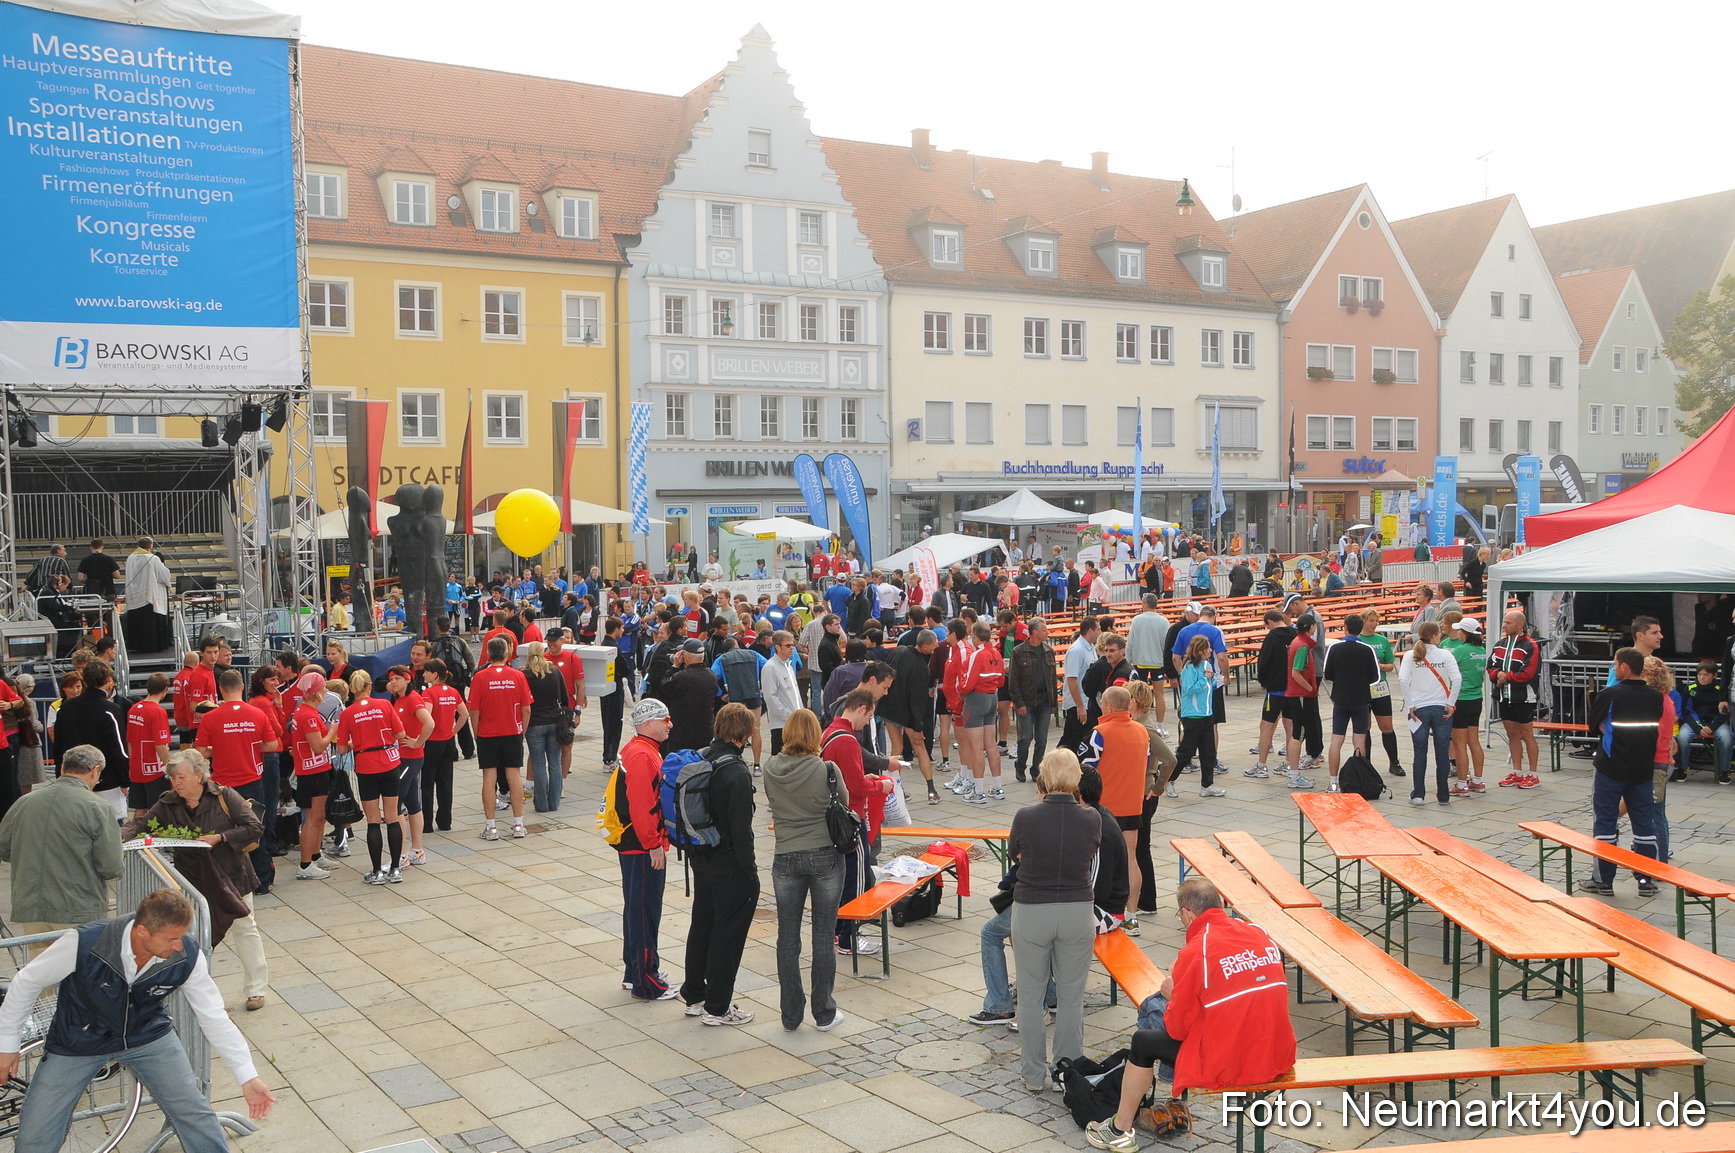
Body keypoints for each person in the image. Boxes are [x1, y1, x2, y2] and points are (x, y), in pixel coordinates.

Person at [0, 889, 275, 1151]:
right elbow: (27, 981)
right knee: (37, 1130)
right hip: (78, 1040)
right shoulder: (85, 942)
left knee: (194, 1112)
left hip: (148, 1035)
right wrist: (7, 1043)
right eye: (170, 939)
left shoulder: (187, 956)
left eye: (182, 937)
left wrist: (247, 1076)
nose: (179, 946)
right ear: (142, 931)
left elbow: (214, 1017)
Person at [1083, 879, 1296, 1152]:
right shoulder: (1258, 933)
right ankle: (1163, 1102)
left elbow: (1177, 1029)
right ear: (1219, 905)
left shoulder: (1197, 950)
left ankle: (1120, 1130)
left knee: (1142, 1041)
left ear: (1186, 913)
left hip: (1235, 1060)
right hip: (1277, 1051)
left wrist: (1174, 991)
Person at [123, 749, 270, 1009]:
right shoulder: (168, 802)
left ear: (199, 776)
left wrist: (220, 838)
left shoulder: (224, 795)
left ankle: (256, 989)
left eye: (181, 777)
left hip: (232, 874)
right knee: (193, 934)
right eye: (172, 778)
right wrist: (118, 836)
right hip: (193, 879)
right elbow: (143, 823)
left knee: (245, 928)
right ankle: (198, 992)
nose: (176, 783)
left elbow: (254, 827)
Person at [1009, 749, 1100, 1093]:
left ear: (1044, 778)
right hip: (1077, 909)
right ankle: (1067, 1072)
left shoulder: (1026, 816)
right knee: (1071, 996)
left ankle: (1033, 1074)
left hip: (1033, 908)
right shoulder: (1091, 818)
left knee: (1031, 998)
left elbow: (1015, 853)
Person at [762, 708, 850, 1031]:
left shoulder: (770, 769)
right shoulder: (827, 769)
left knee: (787, 937)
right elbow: (845, 802)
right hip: (824, 855)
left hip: (785, 856)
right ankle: (824, 1011)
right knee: (823, 935)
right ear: (815, 735)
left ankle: (791, 1014)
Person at [679, 703, 760, 1025]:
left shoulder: (702, 757)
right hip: (729, 863)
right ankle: (718, 1007)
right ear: (743, 734)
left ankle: (694, 995)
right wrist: (750, 871)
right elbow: (742, 830)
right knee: (728, 935)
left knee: (702, 926)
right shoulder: (735, 772)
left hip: (701, 858)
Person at [0, 745, 123, 948]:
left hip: (31, 907)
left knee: (43, 976)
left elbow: (3, 848)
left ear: (63, 768)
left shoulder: (24, 802)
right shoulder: (98, 807)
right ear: (95, 770)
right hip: (78, 908)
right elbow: (111, 867)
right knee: (80, 973)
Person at [609, 698, 678, 1000]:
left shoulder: (638, 750)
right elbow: (642, 805)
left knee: (637, 909)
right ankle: (646, 981)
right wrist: (654, 845)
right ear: (648, 724)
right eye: (665, 719)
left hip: (634, 843)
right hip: (641, 845)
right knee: (644, 911)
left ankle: (634, 970)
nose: (670, 724)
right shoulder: (642, 755)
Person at [1583, 648, 1666, 896]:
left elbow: (1592, 726)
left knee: (1606, 823)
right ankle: (1645, 881)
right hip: (1642, 769)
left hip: (1611, 768)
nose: (1614, 668)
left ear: (1624, 668)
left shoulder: (1610, 694)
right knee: (1644, 824)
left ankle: (1603, 880)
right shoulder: (1655, 696)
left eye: (1615, 664)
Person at [193, 669, 279, 891]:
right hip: (252, 780)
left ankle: (230, 882)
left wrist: (222, 747)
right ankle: (261, 880)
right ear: (241, 687)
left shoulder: (211, 717)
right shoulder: (257, 714)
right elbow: (272, 746)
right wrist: (247, 744)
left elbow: (201, 750)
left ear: (221, 690)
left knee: (224, 832)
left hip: (223, 784)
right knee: (253, 829)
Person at [824, 690, 893, 955]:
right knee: (859, 878)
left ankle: (836, 932)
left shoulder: (829, 732)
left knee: (843, 878)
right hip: (852, 820)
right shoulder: (847, 740)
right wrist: (881, 786)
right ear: (861, 708)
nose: (869, 722)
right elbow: (856, 785)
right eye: (870, 716)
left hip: (836, 819)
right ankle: (848, 937)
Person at [334, 668, 412, 884]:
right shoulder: (385, 705)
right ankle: (395, 868)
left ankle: (376, 871)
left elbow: (341, 749)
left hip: (366, 766)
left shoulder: (348, 713)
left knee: (373, 821)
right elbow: (400, 734)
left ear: (352, 688)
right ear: (369, 686)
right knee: (393, 816)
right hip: (389, 762)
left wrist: (354, 743)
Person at [1082, 686, 1151, 929]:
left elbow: (1083, 770)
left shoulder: (1098, 733)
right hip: (1133, 805)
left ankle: (1099, 913)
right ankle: (1131, 916)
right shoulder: (1142, 731)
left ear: (1109, 707)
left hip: (1104, 809)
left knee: (1096, 861)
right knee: (1131, 859)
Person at [468, 636, 532, 841]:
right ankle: (519, 824)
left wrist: (477, 733)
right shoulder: (517, 676)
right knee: (514, 776)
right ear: (507, 654)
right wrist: (521, 731)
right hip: (512, 731)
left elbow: (474, 710)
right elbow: (527, 709)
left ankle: (491, 827)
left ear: (487, 654)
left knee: (489, 777)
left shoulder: (479, 677)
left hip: (487, 733)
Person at [1400, 622, 1461, 806]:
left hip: (1419, 709)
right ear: (1435, 635)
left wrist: (1410, 704)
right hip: (1441, 707)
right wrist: (1450, 703)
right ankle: (1443, 795)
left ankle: (1418, 794)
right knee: (1442, 753)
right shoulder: (1445, 654)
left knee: (1420, 753)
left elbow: (1403, 679)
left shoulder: (1411, 655)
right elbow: (1457, 680)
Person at [1321, 614, 1381, 789]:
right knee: (1359, 740)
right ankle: (1359, 780)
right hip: (1361, 699)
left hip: (1340, 698)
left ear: (1344, 627)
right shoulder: (1367, 649)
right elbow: (1375, 677)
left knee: (1336, 740)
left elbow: (1328, 674)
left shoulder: (1335, 648)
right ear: (1360, 628)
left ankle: (1333, 782)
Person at [384, 665, 434, 867]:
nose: (393, 682)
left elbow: (429, 723)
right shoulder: (398, 699)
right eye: (391, 679)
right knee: (414, 804)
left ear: (407, 679)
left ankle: (401, 855)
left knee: (395, 804)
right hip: (403, 757)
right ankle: (417, 851)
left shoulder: (413, 698)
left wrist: (418, 742)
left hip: (410, 758)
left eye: (397, 678)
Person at [1490, 609, 1543, 787]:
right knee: (1512, 734)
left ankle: (1533, 774)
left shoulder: (1530, 645)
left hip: (1524, 696)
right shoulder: (1500, 644)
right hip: (1505, 696)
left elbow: (1529, 673)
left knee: (1527, 734)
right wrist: (1497, 674)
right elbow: (1491, 665)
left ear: (1520, 625)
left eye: (1508, 622)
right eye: (1504, 622)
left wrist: (1507, 677)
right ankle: (1517, 771)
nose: (1504, 625)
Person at [1440, 614, 1489, 795]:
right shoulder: (1482, 649)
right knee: (1474, 741)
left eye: (1460, 630)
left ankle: (1461, 784)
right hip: (1476, 698)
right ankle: (1478, 780)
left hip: (1460, 699)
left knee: (1459, 744)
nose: (1458, 633)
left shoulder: (1460, 650)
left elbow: (1445, 669)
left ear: (1466, 633)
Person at [521, 642, 570, 814]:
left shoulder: (524, 675)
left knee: (538, 763)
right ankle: (554, 802)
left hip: (534, 723)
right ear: (544, 652)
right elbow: (564, 699)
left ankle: (541, 804)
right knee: (555, 762)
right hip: (555, 722)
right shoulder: (554, 671)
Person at [1640, 656, 1680, 865]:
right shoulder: (1665, 698)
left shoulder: (1656, 700)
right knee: (1657, 814)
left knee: (1655, 815)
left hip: (1655, 761)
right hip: (1662, 759)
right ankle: (1659, 861)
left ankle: (1658, 863)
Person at [1356, 608, 1405, 779]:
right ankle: (1367, 763)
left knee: (1386, 726)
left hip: (1380, 687)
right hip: (1362, 688)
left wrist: (1381, 666)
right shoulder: (1358, 640)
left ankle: (1394, 762)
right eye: (1371, 621)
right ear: (1363, 621)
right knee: (1365, 726)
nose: (1375, 624)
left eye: (1377, 621)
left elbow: (1391, 665)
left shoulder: (1382, 640)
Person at [1174, 637, 1226, 798]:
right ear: (1200, 650)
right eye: (1207, 648)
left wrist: (1212, 680)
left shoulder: (1207, 665)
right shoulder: (1190, 667)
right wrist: (1206, 679)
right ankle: (1168, 779)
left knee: (1208, 751)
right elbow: (1189, 689)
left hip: (1206, 714)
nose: (1210, 650)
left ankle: (1207, 785)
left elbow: (1208, 688)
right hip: (1193, 715)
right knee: (1186, 751)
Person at [1006, 619, 1055, 785]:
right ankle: (1020, 766)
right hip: (1026, 702)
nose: (1047, 633)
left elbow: (1052, 680)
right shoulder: (1019, 652)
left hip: (1044, 702)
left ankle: (1036, 769)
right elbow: (1013, 681)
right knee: (1026, 738)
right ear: (1035, 632)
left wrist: (1053, 702)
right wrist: (1019, 703)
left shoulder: (1048, 651)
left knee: (1042, 739)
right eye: (1044, 630)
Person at [125, 671, 174, 818]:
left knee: (140, 808)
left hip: (136, 768)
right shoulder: (158, 712)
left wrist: (131, 764)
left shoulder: (134, 708)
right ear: (165, 689)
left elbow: (130, 741)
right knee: (158, 811)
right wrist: (171, 769)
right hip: (153, 770)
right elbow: (160, 745)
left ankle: (132, 836)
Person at [1283, 616, 1324, 788]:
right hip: (1300, 695)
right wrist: (1310, 689)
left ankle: (1294, 773)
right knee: (1298, 735)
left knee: (1298, 734)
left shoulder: (1299, 643)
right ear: (1311, 627)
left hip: (1300, 694)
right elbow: (1296, 673)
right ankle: (1294, 775)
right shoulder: (1301, 645)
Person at [1676, 659, 1733, 784]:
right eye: (1699, 674)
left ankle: (1725, 770)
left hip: (1715, 723)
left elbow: (1723, 713)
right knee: (1682, 737)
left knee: (1727, 737)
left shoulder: (1720, 690)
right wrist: (1698, 727)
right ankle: (1683, 767)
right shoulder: (1690, 688)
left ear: (1714, 675)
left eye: (1706, 675)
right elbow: (1687, 711)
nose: (1702, 677)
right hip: (1695, 723)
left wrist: (1712, 726)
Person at [1125, 595, 1171, 734]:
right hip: (1158, 662)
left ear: (1144, 604)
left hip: (1140, 662)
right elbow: (1166, 644)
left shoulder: (1137, 620)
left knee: (1138, 694)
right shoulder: (1163, 621)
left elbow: (1130, 642)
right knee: (1159, 694)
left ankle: (1139, 724)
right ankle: (1160, 726)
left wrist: (1128, 660)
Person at [665, 639, 721, 752]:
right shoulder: (712, 675)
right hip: (704, 732)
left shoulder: (682, 677)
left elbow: (665, 687)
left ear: (688, 656)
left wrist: (675, 666)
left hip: (682, 734)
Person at [123, 536, 175, 652]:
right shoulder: (153, 558)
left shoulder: (130, 558)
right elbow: (163, 575)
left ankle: (137, 646)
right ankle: (153, 646)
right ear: (150, 546)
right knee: (150, 624)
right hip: (149, 596)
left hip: (134, 596)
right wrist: (168, 582)